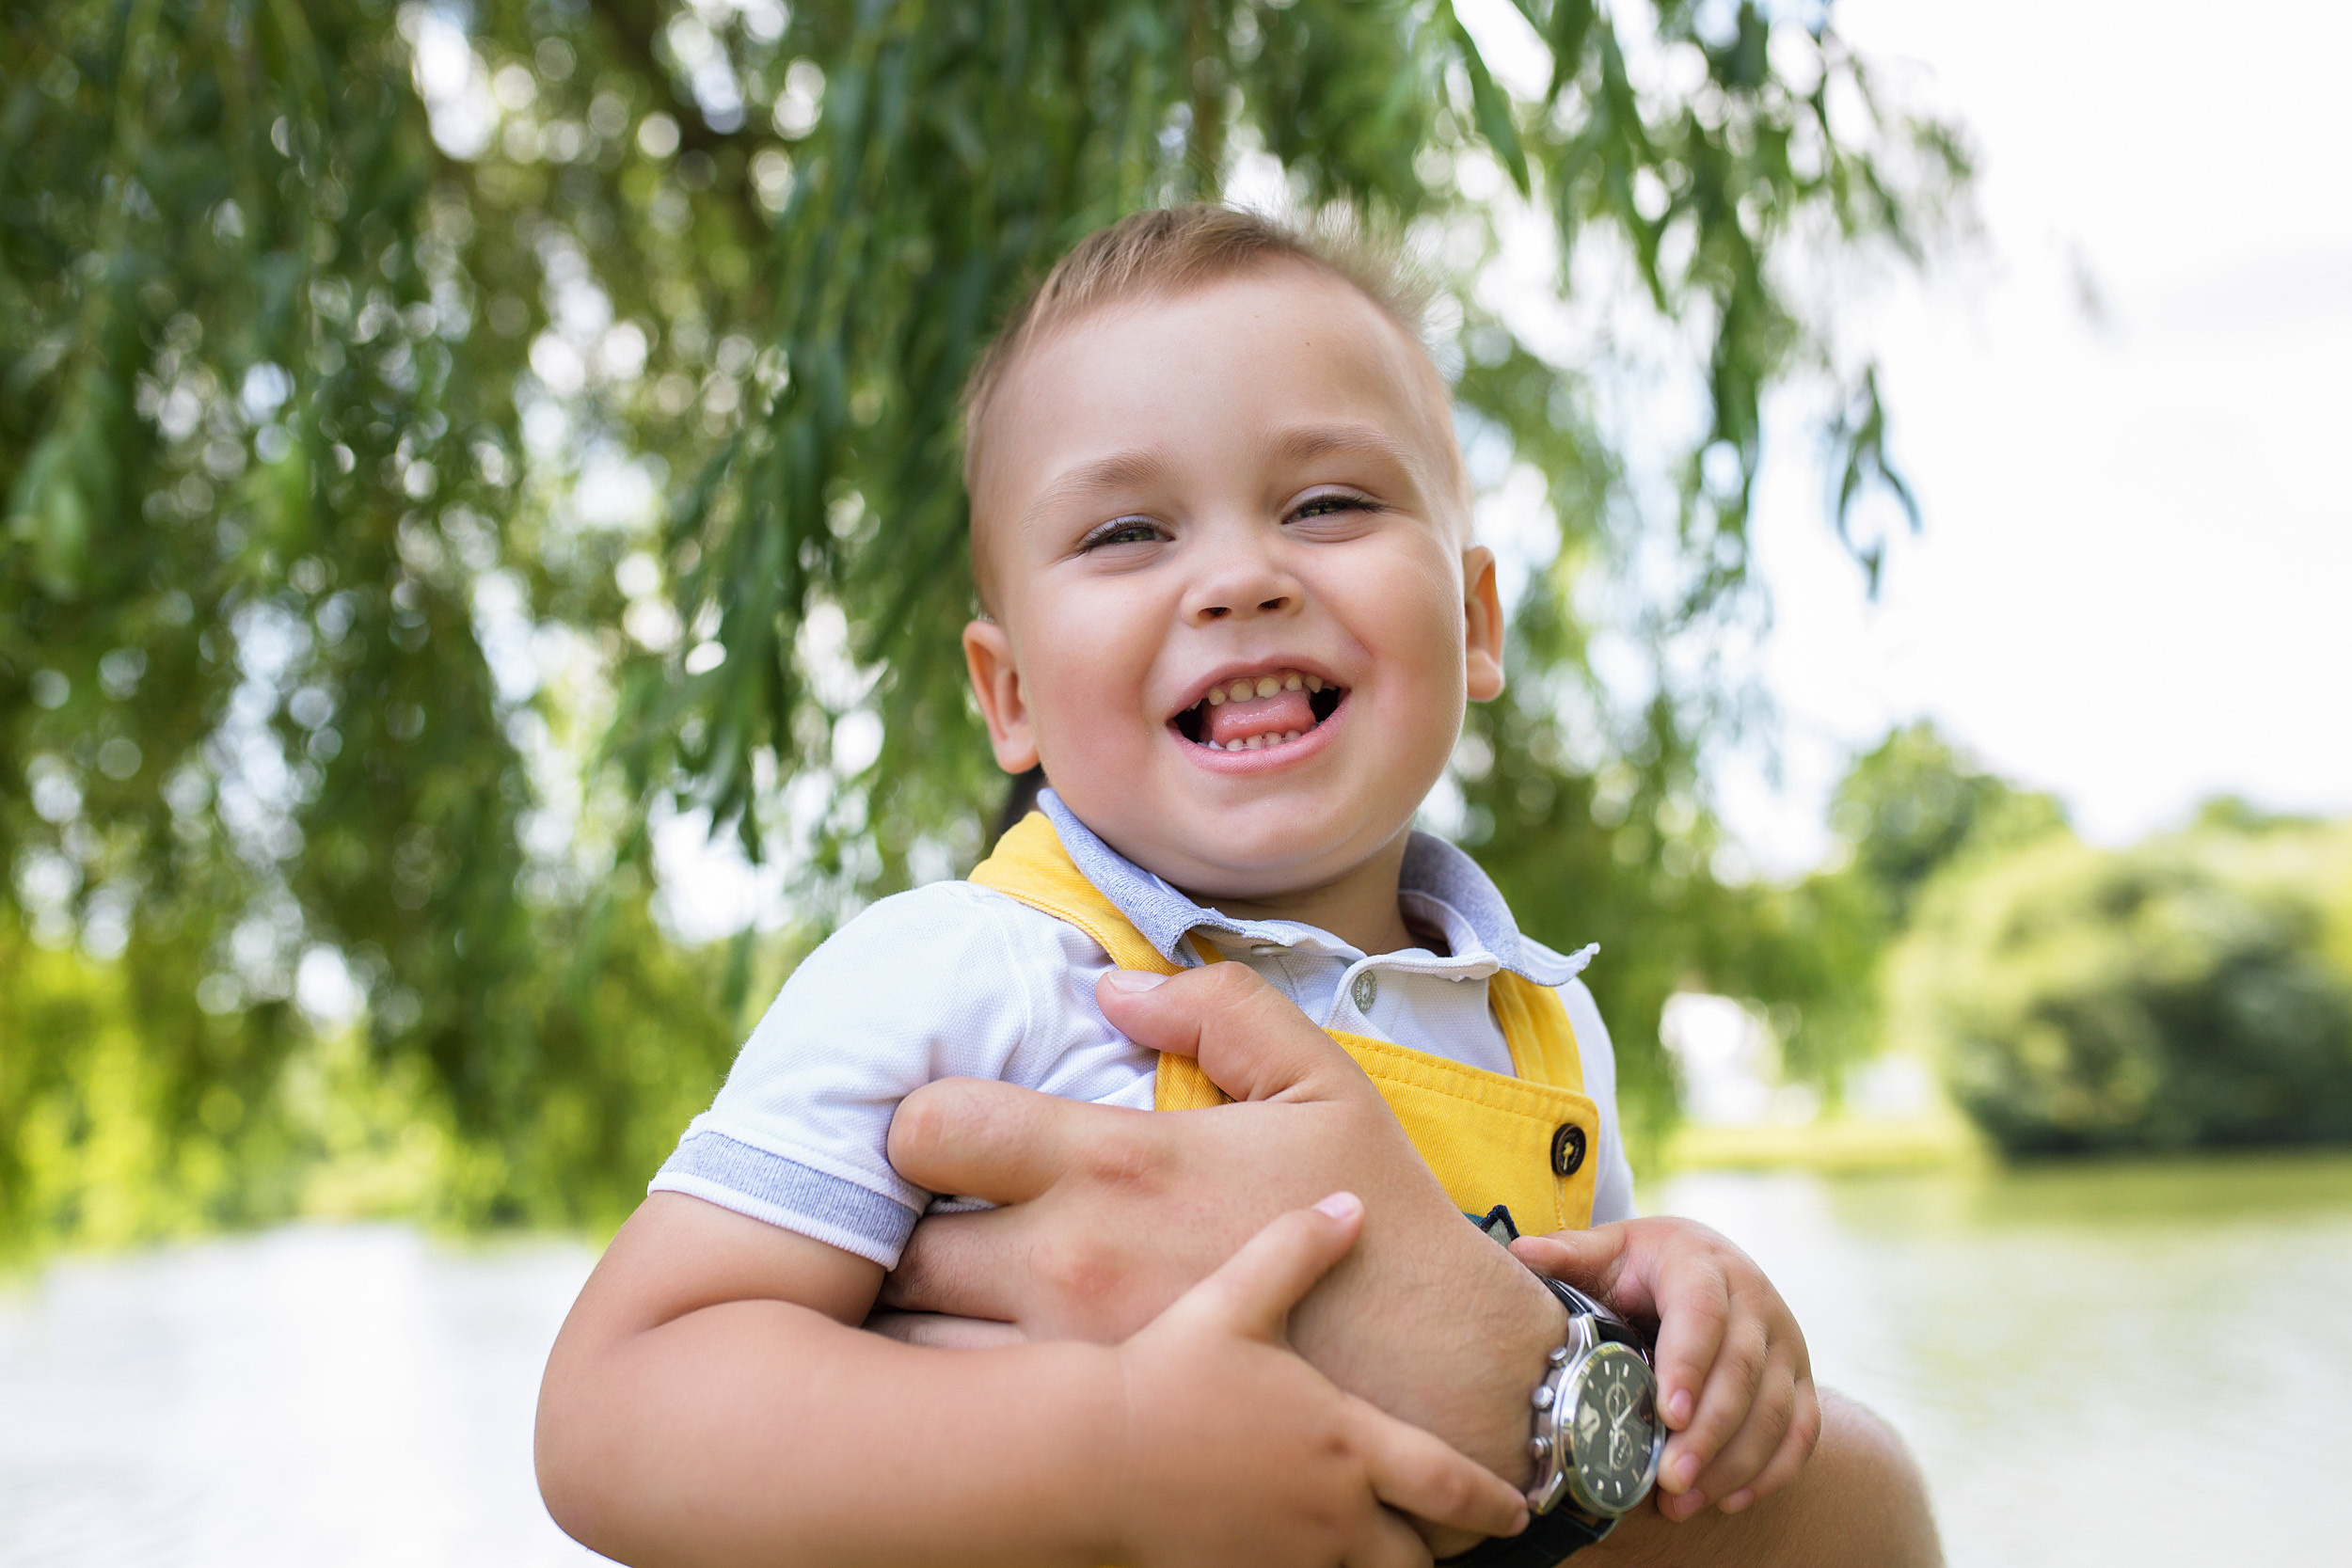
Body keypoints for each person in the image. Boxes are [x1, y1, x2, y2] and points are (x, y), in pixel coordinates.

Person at [536, 206, 1938, 1567]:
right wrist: (1110, 1450)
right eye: (1126, 533)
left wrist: (1667, 1302)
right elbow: (619, 1406)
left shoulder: (1539, 1021)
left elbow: (1526, 1341)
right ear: (1009, 694)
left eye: (1327, 503)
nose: (1239, 578)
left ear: (1472, 620)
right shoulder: (962, 979)